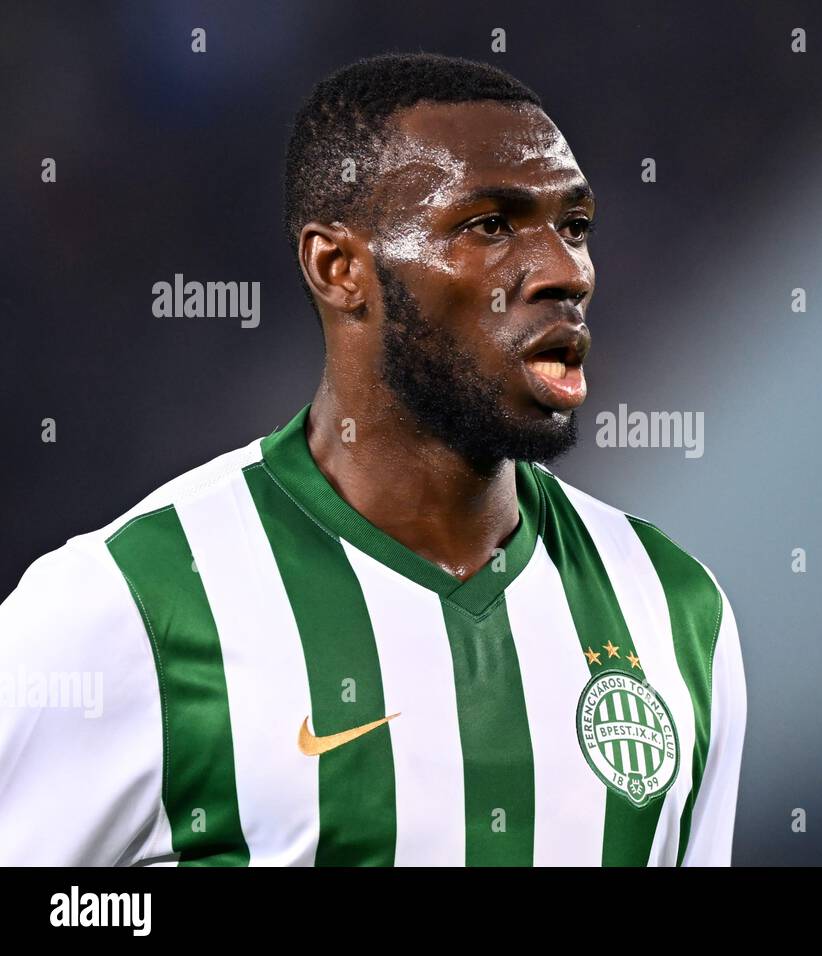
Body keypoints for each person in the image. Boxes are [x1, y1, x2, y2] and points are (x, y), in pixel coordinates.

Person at [0, 52, 746, 866]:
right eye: (489, 225)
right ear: (339, 268)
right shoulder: (127, 609)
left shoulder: (674, 612)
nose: (567, 273)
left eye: (573, 227)